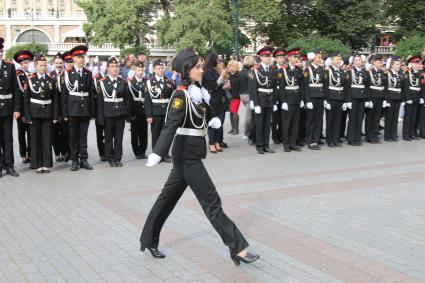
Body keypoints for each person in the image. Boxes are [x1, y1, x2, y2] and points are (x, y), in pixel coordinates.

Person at [140, 47, 259, 266]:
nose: (202, 70)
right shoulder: (180, 94)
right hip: (186, 156)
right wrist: (158, 151)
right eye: (197, 67)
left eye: (202, 66)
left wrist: (210, 121)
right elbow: (170, 124)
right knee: (212, 201)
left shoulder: (197, 91)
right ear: (187, 69)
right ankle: (238, 247)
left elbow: (202, 112)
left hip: (192, 152)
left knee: (166, 200)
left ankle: (148, 239)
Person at [60, 45, 96, 171]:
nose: (81, 59)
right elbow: (64, 95)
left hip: (85, 108)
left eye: (83, 57)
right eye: (79, 57)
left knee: (83, 136)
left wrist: (92, 112)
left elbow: (91, 94)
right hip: (72, 108)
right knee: (73, 136)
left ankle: (84, 159)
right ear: (73, 58)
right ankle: (74, 160)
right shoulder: (68, 74)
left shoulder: (88, 73)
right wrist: (64, 113)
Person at [23, 54, 59, 173]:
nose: (42, 67)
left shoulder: (51, 80)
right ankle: (37, 164)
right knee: (35, 139)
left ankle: (46, 164)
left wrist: (55, 116)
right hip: (34, 113)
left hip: (47, 112)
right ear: (35, 66)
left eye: (44, 65)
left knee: (47, 139)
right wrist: (27, 116)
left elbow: (55, 99)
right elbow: (26, 99)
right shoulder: (30, 79)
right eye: (40, 65)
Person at [96, 57, 130, 167]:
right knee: (109, 137)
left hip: (120, 113)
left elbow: (127, 99)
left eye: (116, 67)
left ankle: (118, 157)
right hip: (108, 113)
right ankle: (110, 157)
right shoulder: (102, 83)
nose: (115, 69)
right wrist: (100, 118)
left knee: (119, 137)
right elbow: (100, 102)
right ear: (107, 68)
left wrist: (127, 114)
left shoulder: (123, 82)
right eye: (112, 67)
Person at [145, 59, 175, 163]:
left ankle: (165, 154)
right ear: (154, 69)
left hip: (166, 111)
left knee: (166, 134)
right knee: (156, 134)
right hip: (155, 111)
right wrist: (149, 115)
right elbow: (147, 100)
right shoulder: (149, 82)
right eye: (159, 68)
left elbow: (172, 98)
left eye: (162, 68)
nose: (161, 70)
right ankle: (156, 154)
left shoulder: (169, 81)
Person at [250, 46, 277, 154]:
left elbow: (274, 87)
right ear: (260, 57)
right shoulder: (254, 70)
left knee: (267, 124)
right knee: (259, 124)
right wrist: (255, 103)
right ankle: (259, 146)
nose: (268, 58)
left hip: (269, 99)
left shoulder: (272, 69)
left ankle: (266, 145)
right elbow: (252, 88)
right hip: (260, 100)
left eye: (269, 56)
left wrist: (274, 102)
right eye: (265, 56)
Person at [0, 37, 20, 178]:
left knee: (8, 139)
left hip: (7, 108)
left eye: (0, 50)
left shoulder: (9, 66)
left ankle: (10, 165)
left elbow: (16, 90)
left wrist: (17, 108)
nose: (0, 53)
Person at [279, 48, 303, 152]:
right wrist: (283, 101)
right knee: (287, 123)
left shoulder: (298, 69)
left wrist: (302, 99)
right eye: (295, 57)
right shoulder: (283, 70)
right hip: (288, 99)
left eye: (298, 57)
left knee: (295, 123)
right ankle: (286, 144)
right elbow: (281, 87)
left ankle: (293, 143)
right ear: (289, 58)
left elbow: (300, 86)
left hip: (297, 98)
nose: (297, 59)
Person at [202, 53, 227, 153]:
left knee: (220, 122)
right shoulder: (207, 72)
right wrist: (221, 77)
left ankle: (217, 142)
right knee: (213, 123)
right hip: (212, 100)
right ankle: (211, 143)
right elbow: (212, 86)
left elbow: (220, 84)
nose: (219, 61)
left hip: (220, 99)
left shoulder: (215, 71)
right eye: (217, 59)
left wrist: (224, 81)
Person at [324, 52, 348, 148]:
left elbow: (345, 87)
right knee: (330, 120)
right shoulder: (327, 71)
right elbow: (325, 86)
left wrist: (345, 101)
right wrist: (326, 100)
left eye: (339, 59)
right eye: (337, 59)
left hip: (340, 98)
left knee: (338, 120)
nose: (339, 61)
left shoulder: (342, 72)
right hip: (331, 98)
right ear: (332, 60)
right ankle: (329, 140)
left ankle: (336, 139)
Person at [14, 50, 33, 164]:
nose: (25, 65)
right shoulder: (18, 75)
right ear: (20, 64)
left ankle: (31, 153)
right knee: (21, 132)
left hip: (31, 107)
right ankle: (23, 154)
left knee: (31, 132)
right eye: (23, 63)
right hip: (21, 108)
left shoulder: (32, 74)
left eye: (27, 63)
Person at [304, 48, 325, 150]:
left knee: (318, 120)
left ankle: (315, 140)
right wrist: (307, 100)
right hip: (312, 98)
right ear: (313, 58)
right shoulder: (307, 70)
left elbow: (323, 85)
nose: (320, 59)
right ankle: (310, 141)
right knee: (311, 121)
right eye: (319, 57)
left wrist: (324, 98)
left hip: (320, 97)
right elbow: (306, 86)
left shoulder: (321, 69)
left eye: (321, 57)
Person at [346, 53, 369, 146]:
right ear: (353, 62)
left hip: (362, 97)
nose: (359, 62)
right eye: (357, 60)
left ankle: (357, 138)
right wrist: (348, 100)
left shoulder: (365, 72)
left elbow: (367, 86)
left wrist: (367, 99)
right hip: (353, 97)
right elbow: (347, 87)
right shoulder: (350, 72)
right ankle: (351, 138)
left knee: (360, 118)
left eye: (360, 60)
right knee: (353, 119)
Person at [50, 52, 69, 162]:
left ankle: (65, 151)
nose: (58, 65)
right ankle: (57, 152)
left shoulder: (67, 74)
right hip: (53, 109)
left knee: (65, 131)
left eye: (60, 63)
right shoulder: (50, 75)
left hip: (65, 108)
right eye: (56, 63)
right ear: (53, 63)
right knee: (54, 132)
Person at [128, 61, 148, 159]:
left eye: (142, 70)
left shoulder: (146, 82)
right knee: (135, 133)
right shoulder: (131, 83)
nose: (140, 72)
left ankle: (143, 150)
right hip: (135, 111)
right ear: (135, 70)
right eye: (138, 70)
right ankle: (137, 152)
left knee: (144, 132)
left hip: (144, 111)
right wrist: (130, 114)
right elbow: (129, 100)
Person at [365, 54, 386, 143]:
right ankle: (369, 136)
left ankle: (375, 135)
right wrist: (368, 99)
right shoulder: (369, 72)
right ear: (373, 62)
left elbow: (384, 86)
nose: (381, 64)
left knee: (377, 117)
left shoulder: (382, 72)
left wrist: (384, 99)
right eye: (379, 62)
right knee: (370, 117)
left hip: (380, 97)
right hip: (372, 97)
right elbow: (367, 87)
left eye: (381, 62)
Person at [402, 55, 423, 141]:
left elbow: (421, 86)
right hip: (410, 96)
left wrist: (421, 97)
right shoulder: (407, 73)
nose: (418, 65)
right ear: (412, 64)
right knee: (408, 117)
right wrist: (407, 98)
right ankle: (406, 134)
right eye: (416, 63)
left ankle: (412, 133)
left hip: (417, 96)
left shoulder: (419, 73)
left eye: (419, 63)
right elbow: (406, 86)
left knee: (414, 116)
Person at [383, 56, 403, 142]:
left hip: (398, 97)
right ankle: (387, 136)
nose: (399, 66)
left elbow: (402, 87)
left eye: (400, 64)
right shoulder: (387, 74)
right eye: (397, 64)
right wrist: (386, 100)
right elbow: (385, 88)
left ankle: (394, 134)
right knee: (389, 117)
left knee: (395, 117)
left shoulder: (400, 74)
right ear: (392, 65)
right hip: (390, 98)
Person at [271, 48, 286, 144]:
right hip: (275, 95)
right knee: (275, 119)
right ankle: (275, 136)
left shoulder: (285, 68)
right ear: (276, 59)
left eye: (283, 57)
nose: (282, 59)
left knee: (283, 118)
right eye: (280, 58)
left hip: (284, 95)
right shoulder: (273, 69)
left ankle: (281, 135)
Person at [238, 55, 255, 141]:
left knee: (249, 114)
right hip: (248, 95)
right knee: (249, 115)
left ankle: (248, 132)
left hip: (242, 95)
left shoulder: (240, 72)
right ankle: (246, 133)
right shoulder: (250, 72)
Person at [228, 59, 241, 135]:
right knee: (231, 112)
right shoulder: (230, 75)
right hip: (230, 96)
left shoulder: (238, 75)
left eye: (232, 66)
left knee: (234, 111)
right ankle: (233, 128)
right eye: (229, 66)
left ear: (236, 67)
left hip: (236, 96)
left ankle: (236, 129)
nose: (230, 67)